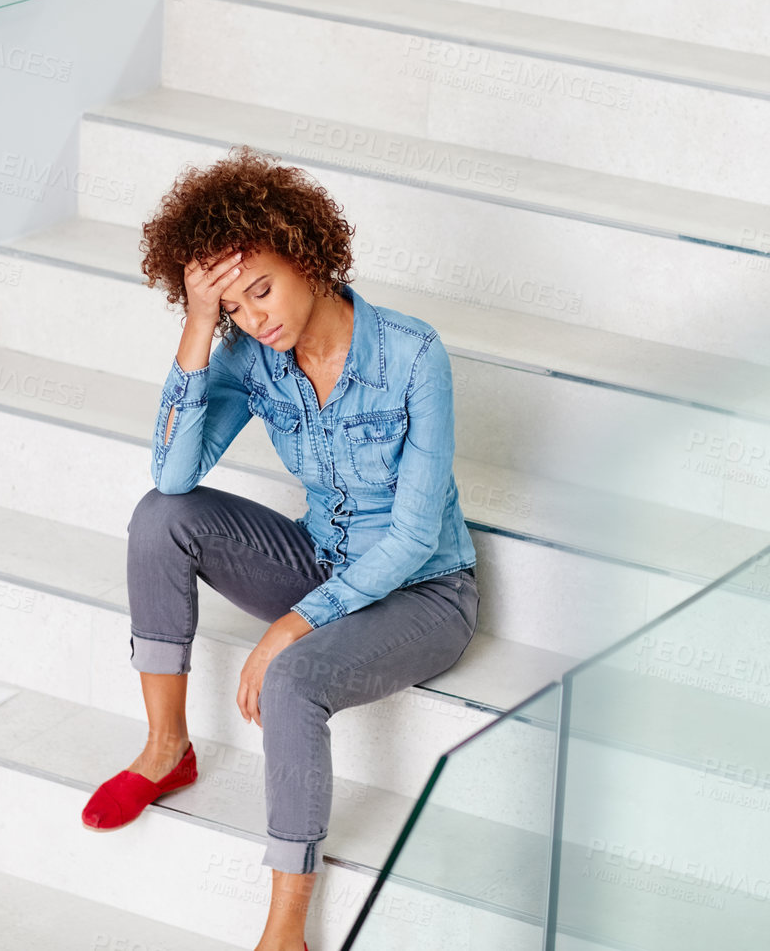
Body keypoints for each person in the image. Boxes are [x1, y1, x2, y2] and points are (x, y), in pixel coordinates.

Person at [80, 145, 480, 951]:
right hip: (320, 557)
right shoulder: (249, 354)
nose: (257, 318)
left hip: (425, 593)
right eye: (236, 308)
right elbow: (175, 471)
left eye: (262, 289)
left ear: (307, 255)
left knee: (294, 679)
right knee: (161, 514)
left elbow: (411, 537)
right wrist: (200, 326)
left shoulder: (412, 355)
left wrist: (295, 623)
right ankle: (166, 750)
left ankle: (285, 929)